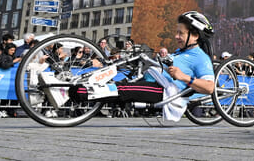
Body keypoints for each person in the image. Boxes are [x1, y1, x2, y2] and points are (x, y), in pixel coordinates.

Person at [73, 11, 215, 120]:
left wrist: (184, 77)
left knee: (123, 90)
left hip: (164, 90)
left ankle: (79, 93)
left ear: (195, 35)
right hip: (151, 79)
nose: (176, 36)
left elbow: (209, 87)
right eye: (176, 32)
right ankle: (73, 88)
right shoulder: (180, 52)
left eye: (181, 33)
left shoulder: (201, 58)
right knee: (116, 83)